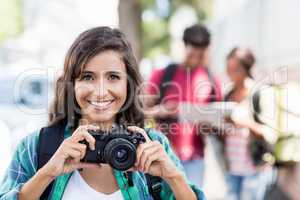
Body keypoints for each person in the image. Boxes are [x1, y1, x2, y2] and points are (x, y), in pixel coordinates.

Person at [0, 27, 205, 200]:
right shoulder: (36, 147)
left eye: (113, 77)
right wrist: (47, 173)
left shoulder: (153, 146)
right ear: (72, 84)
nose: (100, 91)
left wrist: (174, 177)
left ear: (128, 84)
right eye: (88, 77)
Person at [145, 24, 222, 188]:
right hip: (162, 156)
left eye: (201, 55)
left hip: (195, 159)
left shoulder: (212, 80)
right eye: (193, 53)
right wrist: (162, 111)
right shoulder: (163, 74)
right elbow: (142, 114)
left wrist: (209, 126)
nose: (197, 59)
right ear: (184, 47)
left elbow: (217, 122)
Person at [222, 47, 272, 200]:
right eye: (228, 69)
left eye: (235, 69)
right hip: (232, 167)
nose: (230, 74)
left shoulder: (258, 93)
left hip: (254, 168)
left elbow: (268, 132)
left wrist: (244, 123)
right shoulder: (228, 93)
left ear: (246, 68)